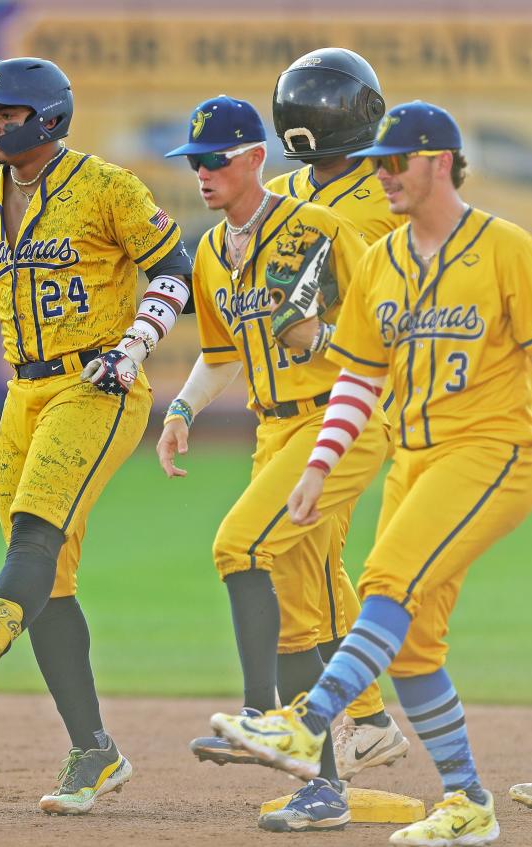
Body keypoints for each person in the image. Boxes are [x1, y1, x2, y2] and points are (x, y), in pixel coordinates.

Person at [215, 101, 532, 846]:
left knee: (385, 581)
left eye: (396, 161)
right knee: (411, 647)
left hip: (492, 451)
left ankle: (308, 722)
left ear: (440, 162)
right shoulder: (381, 260)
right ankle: (468, 799)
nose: (383, 176)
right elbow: (358, 378)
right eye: (377, 163)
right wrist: (320, 462)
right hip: (413, 457)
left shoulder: (507, 248)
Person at [0, 56, 192, 815]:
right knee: (48, 578)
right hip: (25, 390)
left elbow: (173, 269)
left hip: (97, 386)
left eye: (8, 112)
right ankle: (94, 751)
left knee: (34, 532)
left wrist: (130, 347)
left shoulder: (105, 186)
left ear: (51, 118)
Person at [158, 94, 390, 833]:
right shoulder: (208, 248)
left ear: (257, 158)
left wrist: (318, 340)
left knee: (239, 545)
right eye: (192, 162)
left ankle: (262, 714)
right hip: (272, 430)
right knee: (299, 607)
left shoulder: (319, 229)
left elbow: (384, 328)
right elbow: (222, 352)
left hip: (337, 419)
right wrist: (183, 409)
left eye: (216, 159)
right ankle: (322, 784)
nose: (202, 173)